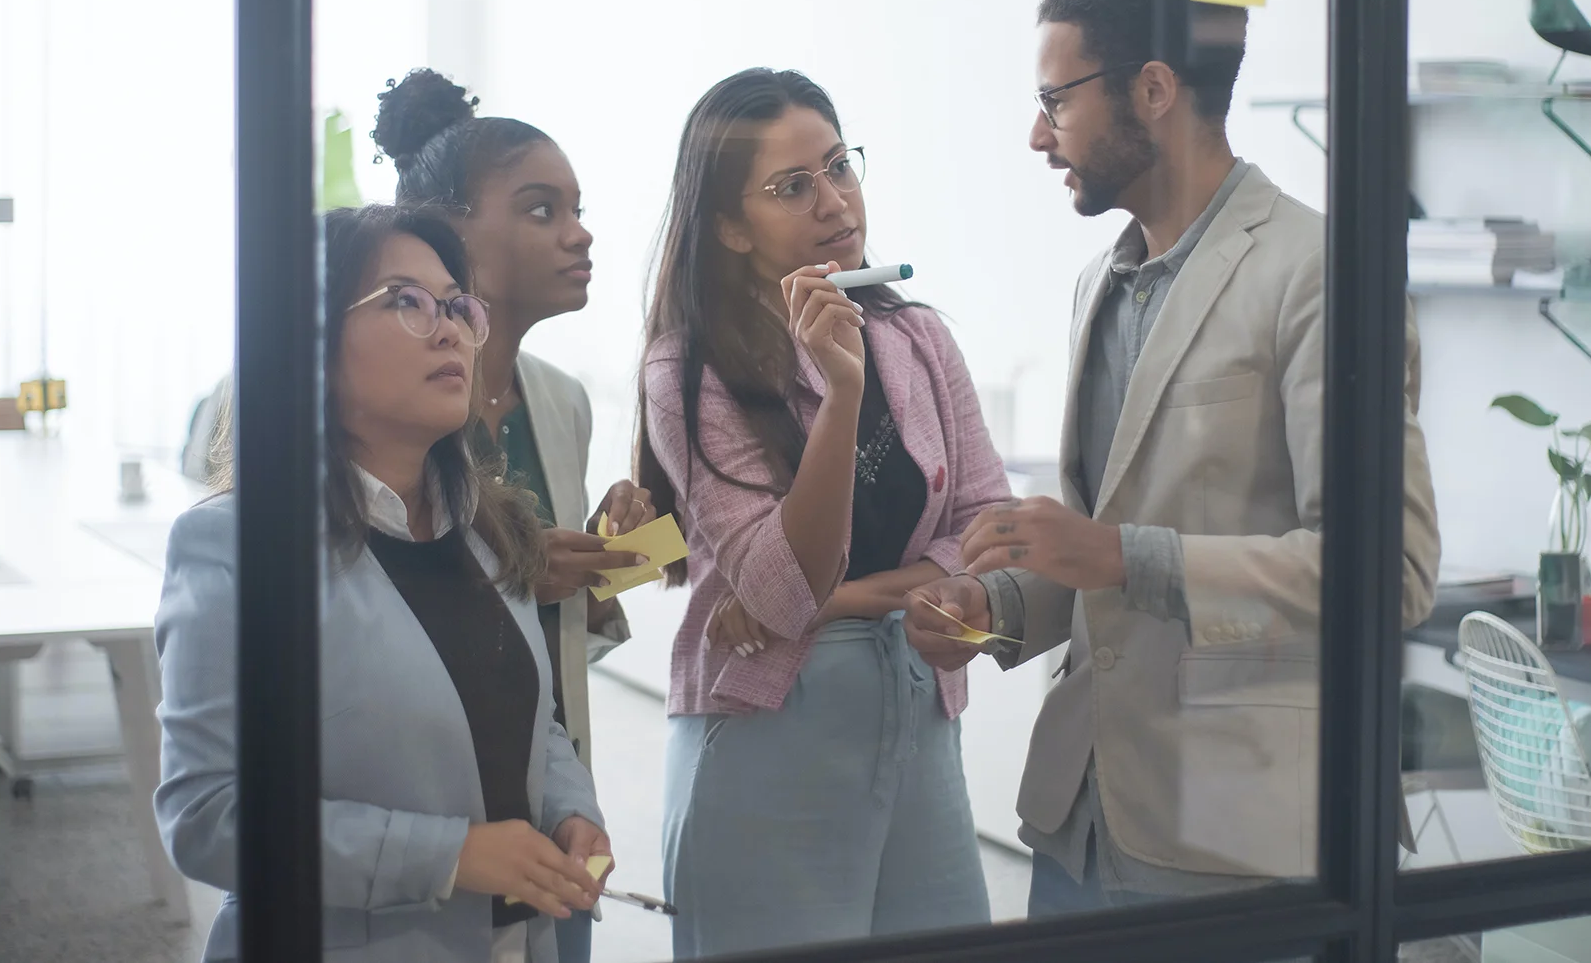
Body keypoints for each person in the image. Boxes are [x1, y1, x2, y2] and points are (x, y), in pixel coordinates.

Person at [905, 0, 1441, 913]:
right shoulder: (1094, 286)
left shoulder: (1319, 272)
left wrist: (1122, 554)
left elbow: (1388, 571)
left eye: (1056, 101)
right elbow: (1090, 549)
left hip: (1238, 842)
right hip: (1078, 820)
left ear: (1152, 89)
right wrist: (996, 611)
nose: (1038, 136)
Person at [156, 204, 612, 962]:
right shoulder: (235, 546)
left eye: (458, 307)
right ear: (312, 343)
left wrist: (572, 811)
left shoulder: (485, 527)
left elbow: (530, 724)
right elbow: (206, 816)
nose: (449, 331)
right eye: (406, 301)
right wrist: (448, 855)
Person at [638, 68, 1007, 957]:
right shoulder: (689, 370)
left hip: (919, 713)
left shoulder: (918, 336)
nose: (835, 200)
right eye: (792, 186)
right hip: (767, 731)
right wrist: (840, 394)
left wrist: (854, 596)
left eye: (840, 166)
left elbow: (994, 525)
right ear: (728, 226)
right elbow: (779, 592)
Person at [373, 70, 652, 963]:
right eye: (541, 211)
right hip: (420, 812)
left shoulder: (561, 404)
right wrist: (520, 571)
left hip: (551, 789)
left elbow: (564, 636)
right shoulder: (388, 414)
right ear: (452, 233)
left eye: (577, 208)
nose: (580, 234)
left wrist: (617, 560)